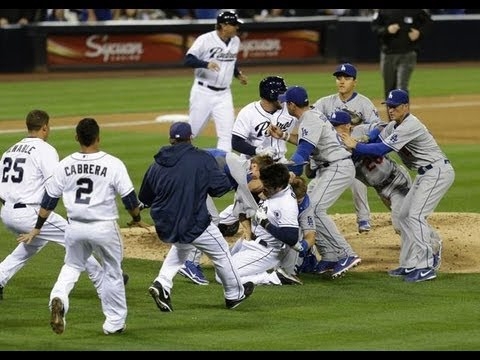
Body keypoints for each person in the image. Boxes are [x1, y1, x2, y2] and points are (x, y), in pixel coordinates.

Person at [17, 117, 147, 335]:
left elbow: (49, 200)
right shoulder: (112, 163)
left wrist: (38, 227)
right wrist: (136, 218)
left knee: (72, 266)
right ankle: (113, 324)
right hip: (104, 226)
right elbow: (129, 200)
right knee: (113, 271)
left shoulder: (65, 164)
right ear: (98, 138)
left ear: (77, 137)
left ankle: (59, 298)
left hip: (75, 227)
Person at [340, 89, 455, 282]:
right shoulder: (394, 125)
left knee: (416, 216)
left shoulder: (411, 125)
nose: (391, 110)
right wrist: (364, 139)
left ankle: (426, 265)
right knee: (403, 216)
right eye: (389, 106)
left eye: (395, 107)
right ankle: (409, 264)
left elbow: (382, 149)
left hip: (437, 172)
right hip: (424, 174)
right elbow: (377, 139)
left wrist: (356, 145)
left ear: (406, 107)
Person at [138, 121, 254, 311]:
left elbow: (145, 197)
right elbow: (218, 189)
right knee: (221, 252)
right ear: (190, 138)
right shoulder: (202, 158)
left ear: (170, 139)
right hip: (192, 221)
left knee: (182, 248)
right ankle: (234, 294)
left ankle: (162, 284)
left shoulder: (156, 163)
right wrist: (232, 177)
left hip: (164, 222)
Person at [0, 110, 107, 302]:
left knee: (31, 246)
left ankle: (0, 277)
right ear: (44, 128)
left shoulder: (10, 150)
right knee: (75, 240)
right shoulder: (45, 150)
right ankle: (104, 281)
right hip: (31, 213)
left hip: (7, 212)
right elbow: (54, 187)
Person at [270, 86, 362, 279]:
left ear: (292, 105)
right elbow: (306, 139)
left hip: (337, 166)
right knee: (308, 207)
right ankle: (329, 256)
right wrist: (284, 135)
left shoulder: (309, 119)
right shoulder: (310, 115)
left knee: (316, 208)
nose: (284, 104)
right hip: (330, 167)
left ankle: (346, 254)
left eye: (286, 102)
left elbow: (303, 151)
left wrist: (288, 172)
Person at [178, 151, 274, 286]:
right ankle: (189, 263)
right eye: (260, 176)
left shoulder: (243, 174)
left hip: (191, 179)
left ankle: (179, 257)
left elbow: (240, 208)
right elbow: (246, 197)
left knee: (208, 219)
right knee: (210, 219)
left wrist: (248, 229)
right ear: (254, 166)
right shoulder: (242, 169)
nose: (257, 180)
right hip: (190, 179)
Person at [313, 63, 382, 233]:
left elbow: (378, 126)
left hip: (354, 152)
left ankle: (364, 219)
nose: (342, 81)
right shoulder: (325, 102)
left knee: (359, 182)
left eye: (347, 78)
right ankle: (309, 219)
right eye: (339, 78)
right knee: (315, 186)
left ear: (354, 82)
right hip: (331, 155)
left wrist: (365, 139)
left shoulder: (363, 103)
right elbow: (309, 117)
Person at [224, 163, 301, 285]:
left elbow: (291, 238)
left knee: (225, 277)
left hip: (265, 250)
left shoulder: (287, 205)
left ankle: (274, 278)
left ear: (278, 187)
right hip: (250, 241)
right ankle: (260, 272)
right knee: (222, 268)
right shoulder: (277, 186)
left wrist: (265, 224)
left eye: (267, 186)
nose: (263, 188)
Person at [184, 10, 248, 152]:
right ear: (224, 25)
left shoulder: (235, 41)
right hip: (203, 92)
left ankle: (221, 167)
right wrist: (206, 64)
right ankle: (179, 159)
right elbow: (188, 59)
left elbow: (230, 62)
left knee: (227, 135)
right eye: (234, 24)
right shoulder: (205, 39)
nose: (237, 27)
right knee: (192, 132)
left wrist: (238, 75)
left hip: (224, 94)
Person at [232, 75, 297, 162]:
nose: (284, 98)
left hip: (280, 161)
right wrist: (258, 151)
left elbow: (310, 123)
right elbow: (236, 142)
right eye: (281, 94)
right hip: (253, 163)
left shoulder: (289, 108)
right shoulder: (248, 112)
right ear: (270, 95)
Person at [371, 9, 432, 99]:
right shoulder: (383, 11)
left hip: (407, 54)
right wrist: (387, 30)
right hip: (388, 54)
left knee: (401, 87)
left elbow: (428, 23)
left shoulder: (416, 11)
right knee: (389, 89)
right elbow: (375, 27)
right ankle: (391, 112)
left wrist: (419, 33)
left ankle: (403, 113)